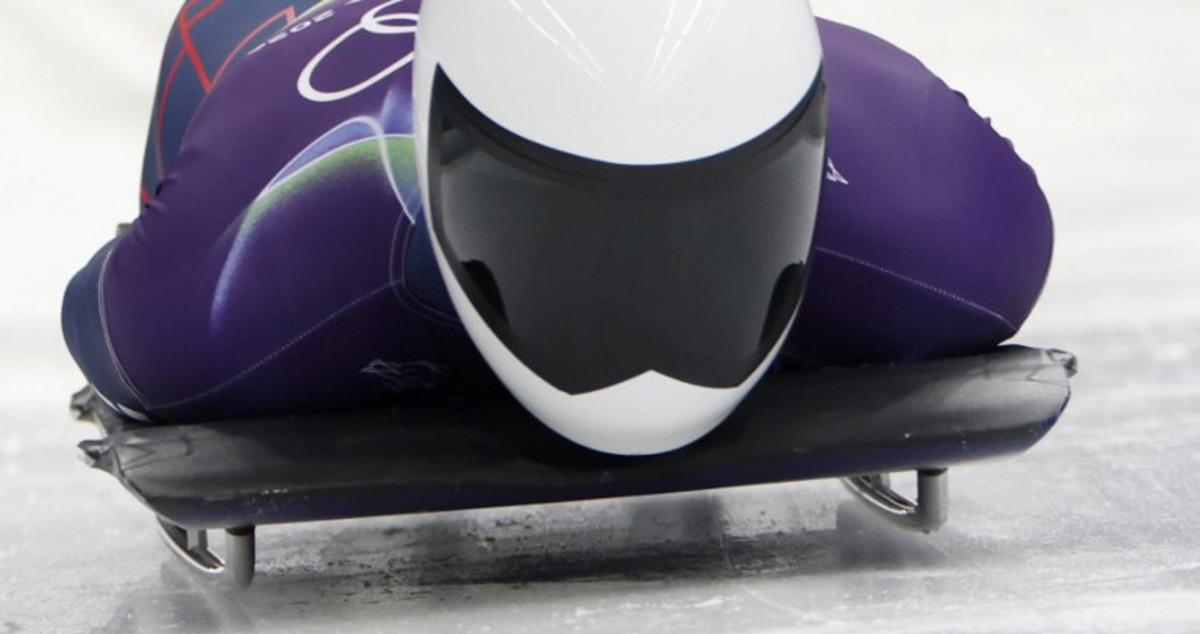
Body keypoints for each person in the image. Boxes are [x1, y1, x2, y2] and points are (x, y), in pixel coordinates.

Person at [63, 0, 1053, 448]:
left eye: (715, 214)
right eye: (576, 227)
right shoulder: (958, 245)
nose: (648, 302)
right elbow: (111, 321)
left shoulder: (219, 315)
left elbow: (107, 321)